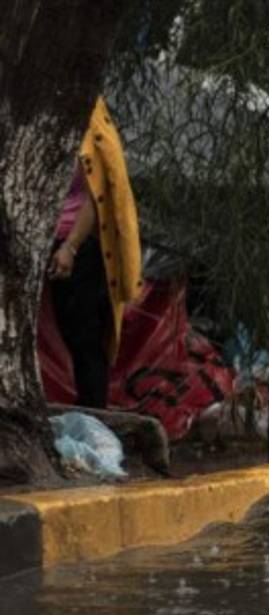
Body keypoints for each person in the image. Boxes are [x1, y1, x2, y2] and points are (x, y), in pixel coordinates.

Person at [47, 96, 142, 408]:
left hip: (79, 247)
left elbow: (97, 198)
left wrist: (70, 247)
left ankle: (93, 413)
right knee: (64, 331)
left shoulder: (91, 131)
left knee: (84, 337)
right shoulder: (38, 120)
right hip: (44, 241)